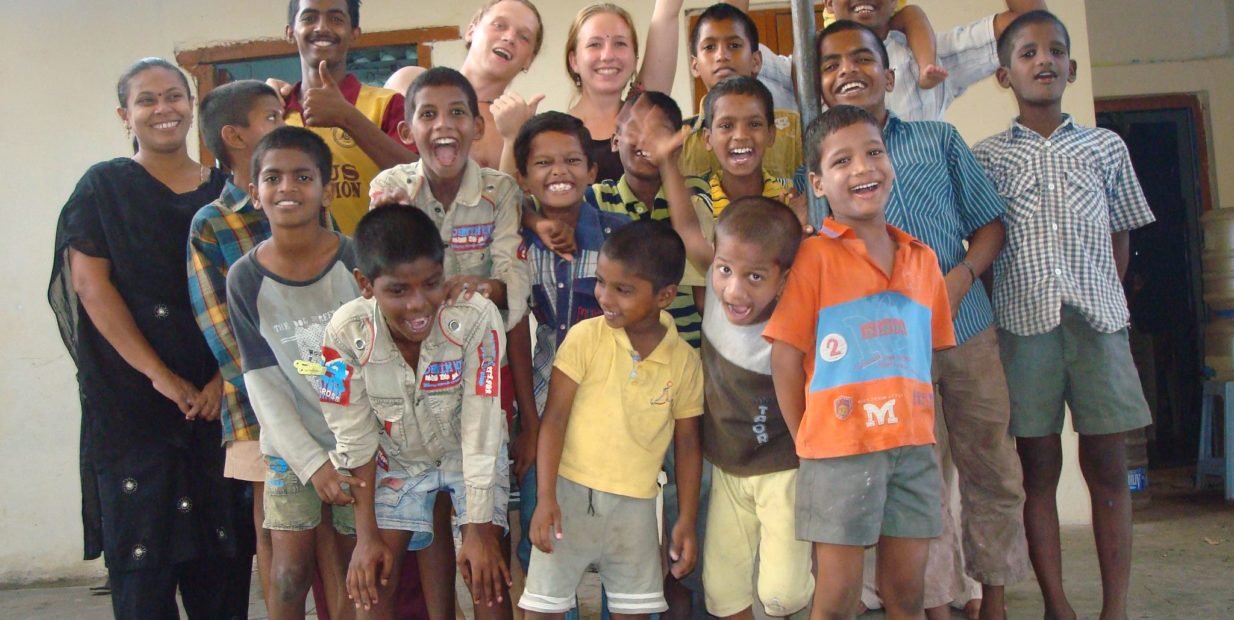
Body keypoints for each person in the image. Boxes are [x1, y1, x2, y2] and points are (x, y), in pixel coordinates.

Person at [814, 21, 1029, 620]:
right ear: (820, 83)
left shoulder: (938, 139)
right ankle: (936, 603)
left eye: (862, 59)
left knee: (991, 464)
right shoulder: (821, 161)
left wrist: (958, 280)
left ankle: (994, 597)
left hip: (965, 328)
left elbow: (990, 225)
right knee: (919, 478)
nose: (848, 71)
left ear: (889, 75)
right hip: (884, 350)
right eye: (831, 64)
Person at [49, 57, 251, 618]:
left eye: (174, 96)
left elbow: (255, 296)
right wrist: (161, 378)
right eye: (147, 100)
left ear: (192, 106)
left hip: (221, 405)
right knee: (144, 578)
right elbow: (91, 288)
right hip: (133, 405)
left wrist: (219, 379)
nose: (163, 109)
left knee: (223, 569)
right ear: (125, 115)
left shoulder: (228, 192)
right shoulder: (102, 188)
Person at [972, 11, 1156, 620]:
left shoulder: (1106, 147)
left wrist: (1103, 295)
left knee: (1108, 465)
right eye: (1027, 53)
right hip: (1024, 331)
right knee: (1037, 468)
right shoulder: (989, 157)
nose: (1043, 61)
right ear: (1005, 74)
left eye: (1055, 51)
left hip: (1099, 326)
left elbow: (1121, 238)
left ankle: (1116, 608)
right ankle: (1057, 604)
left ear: (1072, 68)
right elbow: (987, 246)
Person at [766, 105, 955, 619]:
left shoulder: (924, 259)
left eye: (874, 153)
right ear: (818, 183)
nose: (863, 168)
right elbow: (785, 357)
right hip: (837, 448)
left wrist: (922, 424)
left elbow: (928, 357)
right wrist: (808, 438)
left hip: (913, 448)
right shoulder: (814, 258)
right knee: (836, 599)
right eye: (842, 160)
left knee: (907, 595)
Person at [650, 101, 813, 617]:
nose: (733, 290)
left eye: (755, 277)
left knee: (783, 594)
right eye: (723, 270)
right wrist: (668, 164)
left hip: (784, 471)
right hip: (727, 473)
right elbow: (684, 225)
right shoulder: (720, 283)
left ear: (785, 276)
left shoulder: (796, 307)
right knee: (722, 594)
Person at [320, 206, 513, 620]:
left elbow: (482, 428)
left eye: (431, 284)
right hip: (397, 462)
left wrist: (479, 530)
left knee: (487, 579)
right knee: (373, 583)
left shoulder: (478, 316)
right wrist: (366, 534)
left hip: (468, 455)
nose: (418, 304)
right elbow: (352, 438)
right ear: (365, 285)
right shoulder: (341, 334)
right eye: (398, 291)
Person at [519, 220, 704, 618]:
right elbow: (554, 419)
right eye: (601, 282)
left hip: (635, 510)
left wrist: (685, 518)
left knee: (634, 610)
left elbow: (688, 444)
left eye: (624, 289)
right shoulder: (586, 337)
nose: (605, 296)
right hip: (566, 497)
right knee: (541, 609)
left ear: (666, 296)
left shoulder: (685, 362)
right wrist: (545, 496)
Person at [227, 126, 363, 620]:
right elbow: (262, 381)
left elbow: (374, 364)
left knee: (357, 571)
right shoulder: (245, 278)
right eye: (273, 177)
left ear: (326, 190)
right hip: (289, 448)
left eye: (303, 177)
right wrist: (311, 463)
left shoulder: (354, 260)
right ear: (254, 193)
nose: (287, 188)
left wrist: (348, 452)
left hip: (359, 444)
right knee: (287, 574)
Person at [510, 111, 630, 582]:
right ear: (523, 177)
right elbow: (519, 334)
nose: (559, 171)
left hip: (615, 409)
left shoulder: (620, 237)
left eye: (572, 160)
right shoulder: (515, 245)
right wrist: (530, 425)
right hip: (542, 404)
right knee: (542, 540)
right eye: (543, 163)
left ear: (592, 170)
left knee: (620, 544)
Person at [188, 78, 287, 612]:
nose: (283, 125)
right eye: (271, 118)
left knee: (329, 526)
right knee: (271, 523)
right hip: (252, 405)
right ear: (233, 137)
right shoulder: (212, 223)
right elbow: (217, 323)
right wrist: (269, 386)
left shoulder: (307, 201)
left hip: (323, 391)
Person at [282, 0, 416, 233]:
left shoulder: (388, 104)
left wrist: (348, 117)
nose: (322, 27)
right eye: (309, 18)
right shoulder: (276, 110)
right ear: (290, 33)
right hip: (298, 266)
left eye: (336, 19)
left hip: (376, 261)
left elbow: (419, 179)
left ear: (355, 34)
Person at [386, 0, 544, 170]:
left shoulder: (515, 124)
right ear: (471, 31)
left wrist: (515, 137)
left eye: (524, 37)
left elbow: (508, 195)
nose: (509, 37)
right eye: (499, 25)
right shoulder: (406, 83)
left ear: (529, 59)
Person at [677, 4, 803, 181]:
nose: (722, 55)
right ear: (695, 65)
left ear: (756, 61)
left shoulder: (794, 129)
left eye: (734, 45)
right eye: (710, 47)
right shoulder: (681, 142)